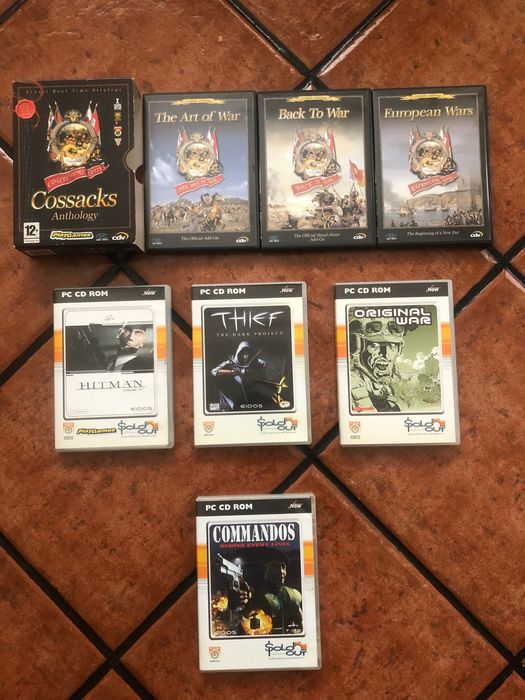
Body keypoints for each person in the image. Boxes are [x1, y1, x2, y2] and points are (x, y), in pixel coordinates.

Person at [348, 317, 405, 412]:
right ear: (355, 346)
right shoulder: (348, 386)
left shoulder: (386, 389)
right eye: (374, 345)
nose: (385, 354)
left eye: (392, 346)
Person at [211, 340, 266, 410]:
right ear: (239, 353)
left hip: (250, 394)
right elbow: (214, 371)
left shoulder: (258, 363)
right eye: (243, 354)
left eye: (248, 354)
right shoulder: (231, 363)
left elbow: (262, 371)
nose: (246, 356)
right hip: (233, 395)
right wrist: (231, 372)